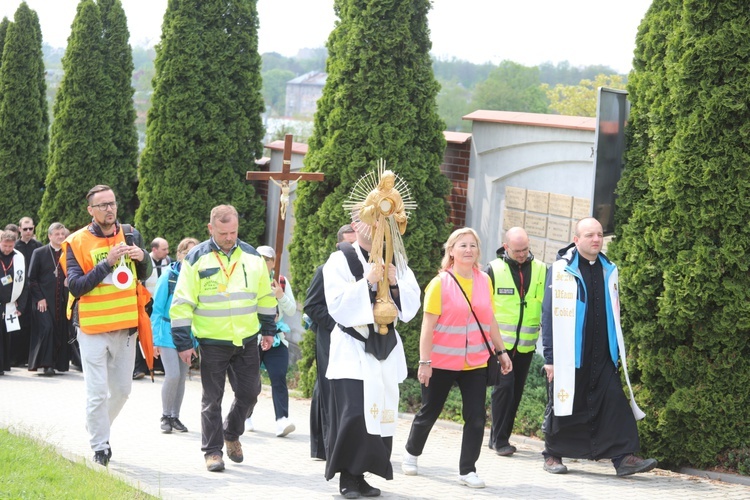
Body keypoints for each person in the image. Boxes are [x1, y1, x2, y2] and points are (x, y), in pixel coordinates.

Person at [541, 217, 657, 476]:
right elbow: (548, 314)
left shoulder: (608, 268)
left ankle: (623, 458)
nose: (596, 240)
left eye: (600, 235)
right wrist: (550, 357)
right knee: (565, 402)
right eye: (590, 235)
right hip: (572, 353)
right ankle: (552, 455)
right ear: (576, 239)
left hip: (602, 352)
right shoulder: (561, 269)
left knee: (614, 401)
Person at [402, 227, 512, 489]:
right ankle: (411, 453)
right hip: (441, 361)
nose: (468, 250)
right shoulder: (440, 283)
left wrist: (502, 351)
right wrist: (424, 362)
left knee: (475, 416)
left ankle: (467, 470)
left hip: (475, 361)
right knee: (430, 412)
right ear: (451, 251)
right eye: (462, 245)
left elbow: (489, 319)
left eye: (473, 245)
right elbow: (427, 327)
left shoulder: (485, 281)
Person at [170, 205, 277, 472]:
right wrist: (183, 343)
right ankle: (213, 452)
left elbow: (264, 296)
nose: (229, 237)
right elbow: (182, 302)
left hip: (246, 338)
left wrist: (268, 329)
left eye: (233, 232)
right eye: (223, 233)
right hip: (212, 340)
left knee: (250, 393)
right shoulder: (195, 259)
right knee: (212, 399)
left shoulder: (252, 257)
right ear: (211, 229)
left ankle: (231, 433)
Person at [322, 216, 421, 498]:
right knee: (354, 413)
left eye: (382, 220)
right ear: (356, 223)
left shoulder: (395, 261)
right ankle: (346, 477)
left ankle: (361, 475)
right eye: (370, 219)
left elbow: (411, 304)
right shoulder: (339, 260)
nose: (376, 226)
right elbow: (337, 305)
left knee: (380, 414)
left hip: (384, 349)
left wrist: (394, 284)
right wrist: (367, 282)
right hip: (353, 348)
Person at [61, 185, 152, 466]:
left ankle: (96, 425)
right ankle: (100, 446)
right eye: (102, 205)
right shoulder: (76, 242)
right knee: (97, 392)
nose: (109, 209)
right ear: (91, 210)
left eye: (112, 203)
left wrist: (143, 258)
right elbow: (76, 285)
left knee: (123, 391)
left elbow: (145, 274)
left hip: (125, 327)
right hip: (91, 328)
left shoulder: (131, 234)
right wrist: (107, 263)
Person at [485, 227, 546, 456]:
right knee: (504, 389)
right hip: (501, 345)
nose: (521, 254)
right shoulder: (493, 269)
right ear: (506, 246)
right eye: (517, 250)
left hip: (526, 346)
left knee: (516, 393)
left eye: (525, 249)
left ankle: (498, 438)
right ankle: (500, 441)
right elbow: (484, 307)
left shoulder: (541, 269)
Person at [307, 223, 357, 460]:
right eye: (348, 243)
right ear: (339, 245)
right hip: (330, 336)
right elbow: (312, 305)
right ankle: (325, 446)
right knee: (327, 389)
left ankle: (331, 444)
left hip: (354, 339)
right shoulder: (325, 269)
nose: (352, 248)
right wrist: (338, 323)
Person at [245, 245, 297, 437]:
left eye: (267, 259)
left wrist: (280, 296)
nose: (263, 262)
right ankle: (245, 415)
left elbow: (291, 310)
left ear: (273, 262)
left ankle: (282, 419)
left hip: (276, 337)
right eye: (259, 258)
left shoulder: (281, 282)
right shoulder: (245, 280)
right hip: (253, 337)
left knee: (278, 376)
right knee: (250, 380)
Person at [151, 237, 199, 433]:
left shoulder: (198, 278)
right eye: (188, 253)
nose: (191, 258)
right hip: (167, 333)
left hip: (187, 335)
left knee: (181, 378)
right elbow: (157, 310)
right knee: (173, 375)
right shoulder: (168, 277)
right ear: (180, 255)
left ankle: (175, 416)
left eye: (195, 254)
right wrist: (154, 340)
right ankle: (165, 416)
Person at [28, 222, 71, 375]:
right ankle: (46, 364)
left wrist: (70, 280)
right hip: (43, 301)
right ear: (49, 236)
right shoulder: (39, 253)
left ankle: (58, 364)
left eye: (62, 234)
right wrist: (39, 298)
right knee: (47, 328)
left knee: (60, 330)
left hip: (62, 300)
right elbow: (31, 278)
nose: (60, 237)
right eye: (57, 234)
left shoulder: (68, 252)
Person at [134, 237, 171, 379]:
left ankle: (161, 365)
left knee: (162, 333)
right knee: (144, 335)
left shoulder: (169, 262)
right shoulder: (144, 262)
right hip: (147, 304)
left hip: (163, 305)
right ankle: (141, 367)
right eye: (164, 249)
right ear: (154, 249)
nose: (167, 252)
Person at [10, 217, 41, 366]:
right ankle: (17, 358)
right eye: (25, 229)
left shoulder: (39, 246)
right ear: (19, 229)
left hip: (35, 291)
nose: (28, 232)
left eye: (31, 229)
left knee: (33, 324)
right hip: (19, 291)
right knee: (18, 325)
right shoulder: (14, 248)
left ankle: (32, 358)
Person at [0, 230, 28, 374]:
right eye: (5, 246)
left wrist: (21, 306)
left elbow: (24, 284)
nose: (7, 249)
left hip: (10, 304)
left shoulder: (18, 257)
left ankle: (4, 365)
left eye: (10, 246)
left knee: (6, 337)